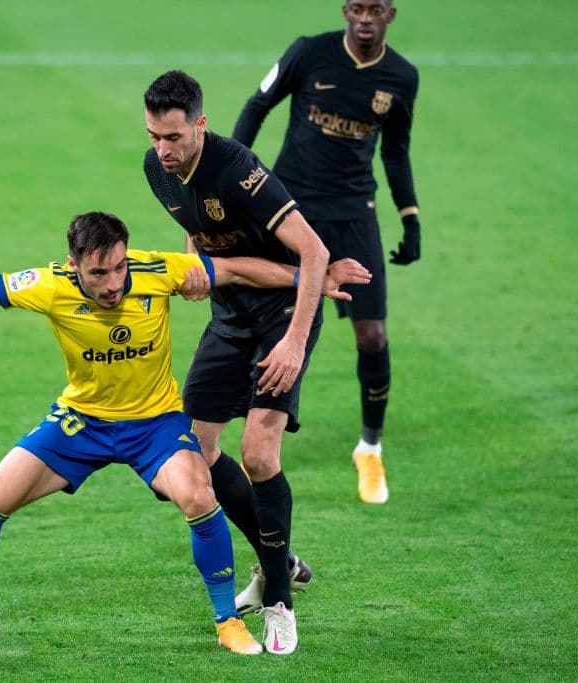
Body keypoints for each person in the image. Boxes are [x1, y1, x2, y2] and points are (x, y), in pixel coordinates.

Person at [0, 211, 369, 656]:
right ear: (74, 265)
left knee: (200, 496)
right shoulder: (49, 285)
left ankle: (227, 620)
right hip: (80, 424)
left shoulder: (158, 271)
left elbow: (239, 271)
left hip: (154, 426)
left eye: (118, 269)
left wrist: (309, 278)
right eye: (98, 273)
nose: (112, 284)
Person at [144, 69, 331, 655]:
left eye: (174, 137)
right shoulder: (157, 170)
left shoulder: (239, 170)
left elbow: (315, 251)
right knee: (192, 453)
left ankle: (279, 599)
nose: (163, 150)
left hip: (282, 316)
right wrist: (196, 266)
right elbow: (196, 225)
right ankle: (284, 560)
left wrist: (295, 343)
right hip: (229, 314)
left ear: (201, 124)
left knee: (258, 451)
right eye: (154, 135)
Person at [232, 0, 421, 506]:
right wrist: (230, 178)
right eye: (357, 7)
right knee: (273, 320)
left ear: (390, 15)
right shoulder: (309, 53)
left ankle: (370, 447)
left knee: (373, 336)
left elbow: (396, 151)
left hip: (354, 213)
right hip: (289, 209)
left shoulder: (402, 77)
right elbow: (257, 106)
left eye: (375, 9)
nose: (364, 18)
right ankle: (259, 440)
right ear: (345, 10)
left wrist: (410, 216)